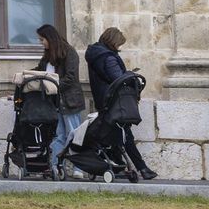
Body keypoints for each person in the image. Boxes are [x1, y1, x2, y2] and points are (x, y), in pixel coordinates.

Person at [83, 27, 156, 179]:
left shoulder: (97, 54)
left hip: (104, 100)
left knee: (116, 135)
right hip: (114, 102)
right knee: (125, 135)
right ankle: (142, 168)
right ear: (113, 41)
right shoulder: (108, 57)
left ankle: (120, 162)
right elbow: (118, 78)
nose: (119, 48)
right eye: (119, 44)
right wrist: (130, 75)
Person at [34, 24, 84, 167]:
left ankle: (78, 167)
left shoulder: (69, 52)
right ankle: (55, 165)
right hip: (54, 102)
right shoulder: (47, 56)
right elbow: (39, 71)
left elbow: (71, 77)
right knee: (59, 135)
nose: (41, 43)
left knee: (74, 134)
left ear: (50, 38)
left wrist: (53, 86)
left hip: (70, 101)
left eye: (42, 39)